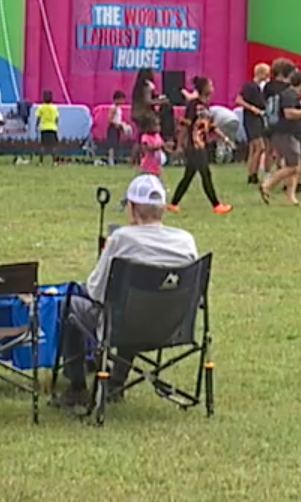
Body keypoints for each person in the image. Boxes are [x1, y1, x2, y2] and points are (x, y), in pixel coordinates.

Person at [56, 175, 199, 408]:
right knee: (133, 307)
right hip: (171, 327)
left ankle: (77, 387)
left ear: (132, 209)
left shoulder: (122, 239)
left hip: (124, 325)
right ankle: (116, 382)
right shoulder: (186, 241)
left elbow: (96, 291)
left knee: (71, 304)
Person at [172, 77, 230, 214]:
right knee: (206, 174)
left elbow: (209, 126)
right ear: (203, 88)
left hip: (202, 144)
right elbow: (185, 125)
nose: (213, 88)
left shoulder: (205, 106)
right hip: (195, 145)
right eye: (210, 85)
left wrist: (224, 137)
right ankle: (216, 205)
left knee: (188, 176)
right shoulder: (194, 105)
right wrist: (180, 144)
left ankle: (174, 203)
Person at [260, 62, 301, 205]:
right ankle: (267, 185)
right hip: (287, 132)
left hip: (277, 128)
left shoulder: (270, 87)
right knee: (294, 166)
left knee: (291, 164)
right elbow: (289, 113)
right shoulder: (289, 93)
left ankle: (291, 197)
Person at [237, 64, 270, 184]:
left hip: (258, 118)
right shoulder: (249, 86)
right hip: (251, 119)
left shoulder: (259, 88)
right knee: (260, 146)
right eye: (266, 73)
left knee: (253, 148)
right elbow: (239, 100)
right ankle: (253, 173)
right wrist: (252, 108)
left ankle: (251, 174)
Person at [36, 89, 61, 164]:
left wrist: (36, 126)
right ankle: (54, 161)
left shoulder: (41, 107)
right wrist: (56, 126)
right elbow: (57, 118)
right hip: (52, 128)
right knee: (53, 146)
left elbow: (38, 118)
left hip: (44, 128)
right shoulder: (54, 107)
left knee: (43, 146)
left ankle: (41, 162)